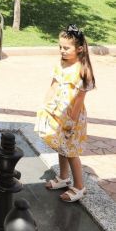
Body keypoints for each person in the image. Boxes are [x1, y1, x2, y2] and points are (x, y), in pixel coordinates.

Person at [36, 25, 95, 203]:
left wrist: (71, 121)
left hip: (72, 117)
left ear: (79, 49)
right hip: (58, 112)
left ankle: (79, 186)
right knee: (60, 146)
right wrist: (45, 106)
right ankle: (63, 177)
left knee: (71, 152)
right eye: (60, 47)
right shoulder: (61, 65)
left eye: (66, 48)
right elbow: (53, 86)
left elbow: (79, 100)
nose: (62, 50)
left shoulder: (83, 71)